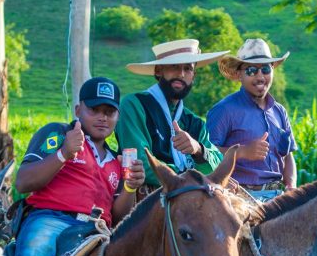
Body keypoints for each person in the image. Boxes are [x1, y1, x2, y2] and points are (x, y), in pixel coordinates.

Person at [0, 77, 144, 256]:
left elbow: (121, 215)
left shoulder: (117, 161)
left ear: (117, 116)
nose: (102, 118)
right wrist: (65, 153)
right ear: (78, 110)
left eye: (109, 112)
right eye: (94, 110)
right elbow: (24, 182)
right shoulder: (57, 134)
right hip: (50, 219)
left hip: (97, 230)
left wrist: (130, 186)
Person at [116, 39, 225, 197]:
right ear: (159, 71)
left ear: (193, 76)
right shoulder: (134, 105)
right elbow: (139, 163)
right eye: (174, 66)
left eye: (188, 68)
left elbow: (218, 167)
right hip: (145, 201)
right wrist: (191, 177)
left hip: (190, 198)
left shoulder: (195, 123)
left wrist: (198, 150)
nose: (181, 74)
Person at [206, 39, 297, 202]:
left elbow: (287, 155)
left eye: (266, 69)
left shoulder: (279, 111)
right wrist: (243, 152)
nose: (260, 77)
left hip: (277, 197)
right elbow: (206, 154)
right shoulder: (224, 110)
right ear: (239, 74)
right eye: (252, 71)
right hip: (239, 198)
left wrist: (291, 185)